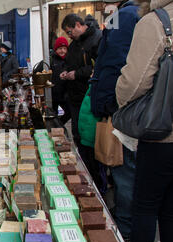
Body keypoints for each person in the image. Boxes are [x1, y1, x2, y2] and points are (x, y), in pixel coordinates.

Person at [116, 0, 173, 242]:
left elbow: (134, 83)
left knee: (145, 206)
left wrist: (121, 105)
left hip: (163, 134)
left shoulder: (157, 21)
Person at [90, 0, 140, 242]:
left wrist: (107, 102)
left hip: (121, 110)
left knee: (124, 172)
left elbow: (114, 64)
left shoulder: (123, 16)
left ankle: (124, 234)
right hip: (126, 108)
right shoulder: (127, 14)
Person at [60, 13, 105, 193]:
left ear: (79, 25)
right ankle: (85, 177)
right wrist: (65, 72)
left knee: (91, 142)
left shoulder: (97, 40)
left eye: (70, 31)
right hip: (75, 98)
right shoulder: (74, 45)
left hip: (90, 99)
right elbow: (70, 64)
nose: (69, 35)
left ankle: (98, 184)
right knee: (78, 137)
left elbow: (97, 68)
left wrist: (76, 74)